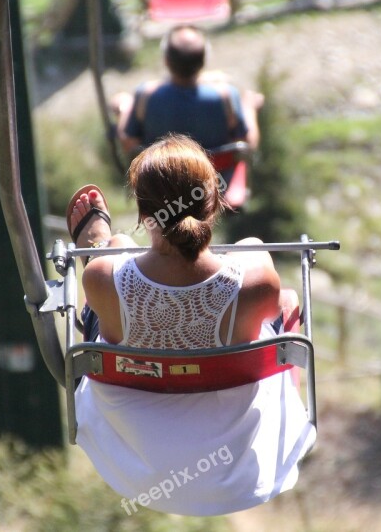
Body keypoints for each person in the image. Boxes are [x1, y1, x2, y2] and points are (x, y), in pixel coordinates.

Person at [65, 135, 315, 517]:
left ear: (143, 213)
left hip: (135, 454)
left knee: (108, 270)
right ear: (214, 203)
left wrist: (115, 254)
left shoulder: (102, 277)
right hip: (239, 468)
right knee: (283, 297)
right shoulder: (256, 280)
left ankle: (102, 244)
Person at [112, 24, 264, 158]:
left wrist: (124, 109)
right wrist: (249, 108)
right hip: (216, 185)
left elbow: (129, 144)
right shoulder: (226, 96)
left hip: (161, 186)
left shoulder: (145, 95)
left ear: (166, 60)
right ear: (204, 60)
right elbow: (248, 145)